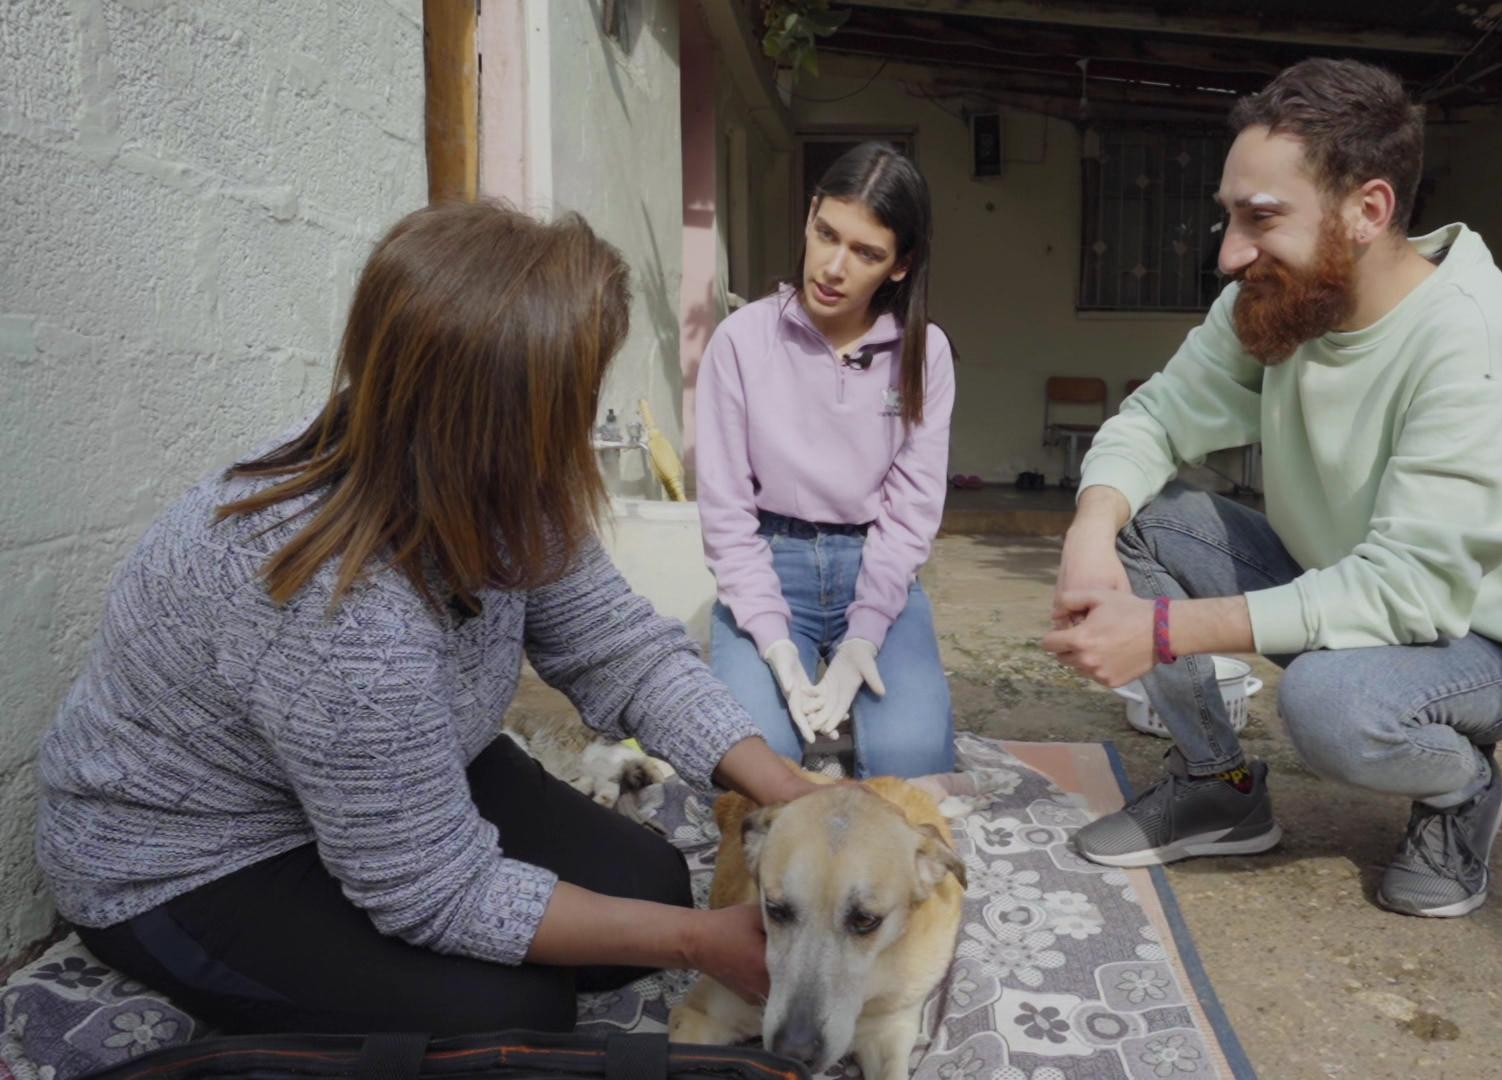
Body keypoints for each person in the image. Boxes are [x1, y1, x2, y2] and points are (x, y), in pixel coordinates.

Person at [34, 202, 821, 1035]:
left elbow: (622, 651)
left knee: (649, 889)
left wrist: (798, 797)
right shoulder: (342, 616)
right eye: (573, 401)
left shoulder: (506, 489)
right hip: (198, 856)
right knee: (511, 1016)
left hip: (388, 774)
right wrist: (701, 944)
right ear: (491, 423)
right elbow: (436, 890)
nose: (584, 426)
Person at [1043, 59, 1502, 918]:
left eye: (1261, 219)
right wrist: (1089, 535)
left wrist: (1166, 630)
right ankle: (1219, 785)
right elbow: (1155, 419)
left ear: (1367, 211)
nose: (1229, 255)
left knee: (1329, 706)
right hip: (1340, 593)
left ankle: (1462, 786)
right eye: (1229, 218)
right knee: (1147, 521)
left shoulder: (1468, 339)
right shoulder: (1286, 294)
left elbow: (1410, 589)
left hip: (1475, 643)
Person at [698, 142, 956, 779]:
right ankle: (804, 715)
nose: (834, 268)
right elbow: (726, 515)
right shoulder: (741, 341)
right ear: (810, 216)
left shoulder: (925, 354)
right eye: (826, 234)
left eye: (866, 253)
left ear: (900, 266)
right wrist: (776, 645)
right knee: (757, 765)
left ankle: (850, 723)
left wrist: (864, 635)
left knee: (912, 762)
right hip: (768, 558)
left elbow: (912, 511)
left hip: (872, 563)